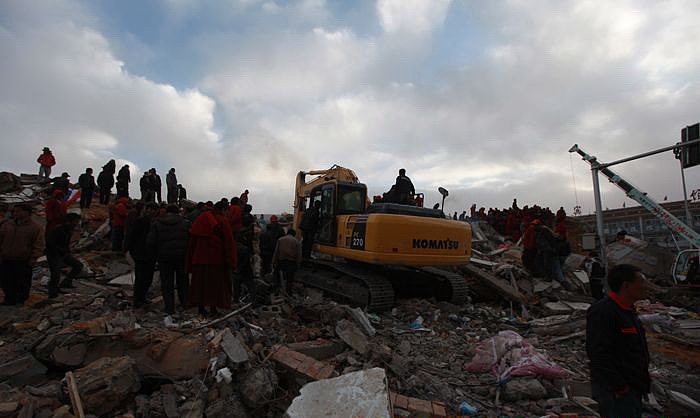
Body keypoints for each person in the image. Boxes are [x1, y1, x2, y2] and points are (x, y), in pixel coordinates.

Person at [586, 264, 650, 418]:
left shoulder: (628, 310)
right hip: (616, 393)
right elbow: (598, 354)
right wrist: (620, 387)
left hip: (632, 388)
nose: (645, 286)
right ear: (626, 286)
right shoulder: (604, 311)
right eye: (641, 282)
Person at [187, 201, 237, 316]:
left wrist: (190, 259)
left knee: (200, 285)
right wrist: (231, 260)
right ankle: (213, 309)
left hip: (199, 258)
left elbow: (192, 241)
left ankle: (201, 308)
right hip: (216, 259)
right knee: (215, 285)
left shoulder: (202, 218)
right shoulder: (222, 220)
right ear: (224, 209)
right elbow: (228, 242)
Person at [148, 204, 190, 315]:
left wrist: (155, 255)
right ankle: (185, 303)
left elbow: (151, 242)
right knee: (183, 281)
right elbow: (191, 240)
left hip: (164, 257)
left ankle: (169, 307)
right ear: (178, 212)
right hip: (181, 256)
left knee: (167, 283)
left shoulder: (157, 224)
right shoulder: (185, 223)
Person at [0, 204, 44, 305]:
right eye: (14, 211)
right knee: (6, 280)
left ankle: (20, 300)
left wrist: (34, 258)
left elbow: (38, 245)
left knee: (22, 282)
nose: (15, 213)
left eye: (18, 211)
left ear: (27, 212)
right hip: (6, 258)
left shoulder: (35, 227)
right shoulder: (7, 225)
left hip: (23, 260)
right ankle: (9, 299)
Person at [127, 202, 159, 308]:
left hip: (150, 254)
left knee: (148, 278)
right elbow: (131, 236)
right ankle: (137, 300)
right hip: (141, 254)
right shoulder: (140, 221)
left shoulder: (153, 222)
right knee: (141, 277)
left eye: (155, 210)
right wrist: (130, 250)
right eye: (151, 209)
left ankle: (142, 297)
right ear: (146, 209)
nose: (153, 212)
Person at [45, 213, 83, 298]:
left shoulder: (69, 231)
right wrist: (58, 253)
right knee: (55, 275)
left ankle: (67, 282)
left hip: (63, 254)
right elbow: (50, 243)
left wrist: (67, 251)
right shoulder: (58, 230)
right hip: (54, 255)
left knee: (78, 265)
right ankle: (52, 294)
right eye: (75, 222)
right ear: (69, 221)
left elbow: (65, 244)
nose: (76, 224)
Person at [273, 229, 302, 295]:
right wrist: (298, 263)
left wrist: (274, 261)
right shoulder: (296, 241)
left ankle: (277, 290)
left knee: (278, 276)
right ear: (294, 234)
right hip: (291, 262)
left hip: (281, 260)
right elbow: (299, 254)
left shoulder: (280, 239)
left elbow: (276, 251)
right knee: (289, 278)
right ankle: (288, 292)